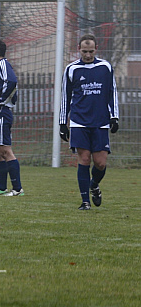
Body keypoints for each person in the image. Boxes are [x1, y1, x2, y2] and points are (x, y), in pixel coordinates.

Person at [59, 34, 119, 210]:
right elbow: (65, 97)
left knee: (100, 163)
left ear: (96, 49)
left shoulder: (105, 67)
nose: (87, 55)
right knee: (84, 159)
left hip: (100, 121)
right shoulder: (72, 69)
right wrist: (63, 123)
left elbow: (112, 92)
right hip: (79, 121)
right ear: (79, 49)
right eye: (84, 51)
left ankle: (94, 185)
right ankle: (85, 202)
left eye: (91, 51)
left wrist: (114, 117)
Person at [0, 39, 24, 197]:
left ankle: (18, 189)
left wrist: (2, 100)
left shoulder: (3, 65)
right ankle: (1, 188)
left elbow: (13, 82)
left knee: (5, 150)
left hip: (0, 111)